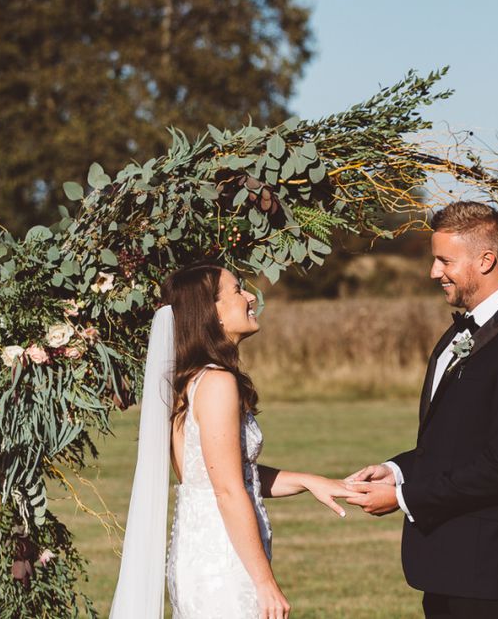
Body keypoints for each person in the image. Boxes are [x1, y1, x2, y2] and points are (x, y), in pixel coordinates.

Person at [345, 202, 498, 619]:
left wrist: (403, 497)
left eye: (444, 260)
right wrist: (396, 470)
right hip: (443, 565)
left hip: (487, 568)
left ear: (485, 260)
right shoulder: (456, 333)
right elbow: (450, 440)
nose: (433, 272)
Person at [111, 261, 349, 619]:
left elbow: (218, 475)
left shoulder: (190, 381)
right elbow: (226, 489)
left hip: (204, 553)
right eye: (238, 290)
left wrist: (306, 481)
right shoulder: (217, 382)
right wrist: (265, 582)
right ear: (212, 313)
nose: (251, 297)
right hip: (223, 562)